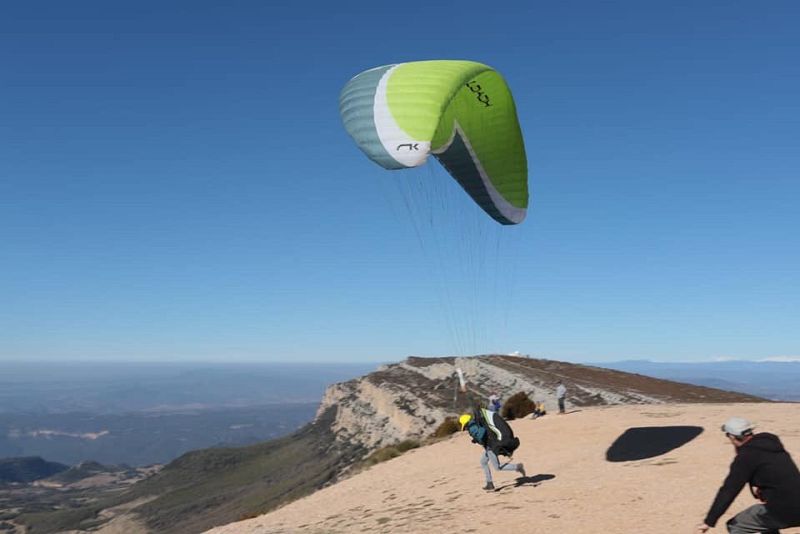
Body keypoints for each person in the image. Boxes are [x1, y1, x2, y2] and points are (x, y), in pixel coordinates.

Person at [695, 417, 800, 533]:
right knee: (763, 518)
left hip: (785, 512)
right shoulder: (771, 444)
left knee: (736, 525)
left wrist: (709, 521)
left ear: (732, 436)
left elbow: (729, 491)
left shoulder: (746, 456)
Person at [460, 413, 525, 491]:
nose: (465, 428)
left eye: (465, 426)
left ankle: (517, 467)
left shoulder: (472, 427)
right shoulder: (475, 423)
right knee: (483, 462)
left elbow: (482, 432)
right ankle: (489, 483)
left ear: (466, 423)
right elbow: (482, 431)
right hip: (489, 445)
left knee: (497, 467)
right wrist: (475, 439)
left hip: (490, 447)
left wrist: (477, 439)